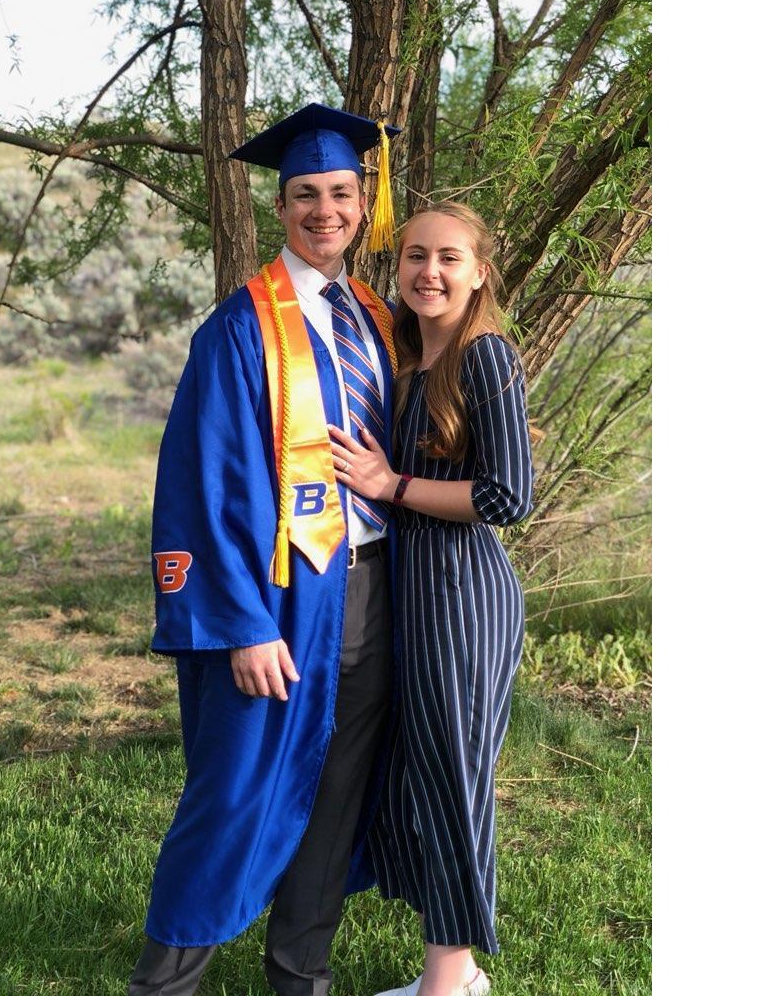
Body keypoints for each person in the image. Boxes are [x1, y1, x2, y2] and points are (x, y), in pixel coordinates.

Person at [130, 103, 402, 996]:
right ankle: (165, 983)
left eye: (341, 193)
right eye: (305, 195)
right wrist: (242, 624)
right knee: (234, 791)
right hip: (280, 595)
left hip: (373, 588)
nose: (326, 211)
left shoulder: (377, 317)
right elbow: (200, 486)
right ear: (279, 208)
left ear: (364, 204)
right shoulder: (241, 327)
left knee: (339, 793)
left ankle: (300, 976)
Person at [328, 203, 535, 996]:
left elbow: (508, 496)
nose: (430, 272)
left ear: (480, 271)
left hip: (461, 595)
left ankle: (447, 985)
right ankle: (455, 971)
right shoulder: (407, 355)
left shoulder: (486, 357)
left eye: (449, 257)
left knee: (451, 782)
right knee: (418, 779)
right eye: (416, 255)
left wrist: (391, 485)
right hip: (412, 590)